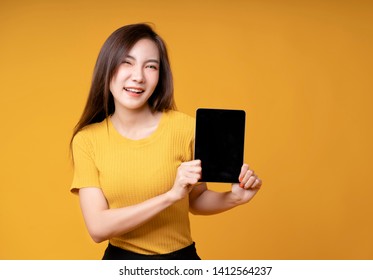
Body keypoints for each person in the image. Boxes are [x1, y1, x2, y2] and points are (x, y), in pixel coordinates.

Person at [70, 23, 262, 260]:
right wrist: (171, 196)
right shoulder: (87, 141)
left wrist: (234, 197)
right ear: (107, 68)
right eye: (127, 63)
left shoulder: (185, 128)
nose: (138, 76)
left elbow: (197, 199)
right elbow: (98, 228)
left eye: (151, 66)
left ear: (160, 76)